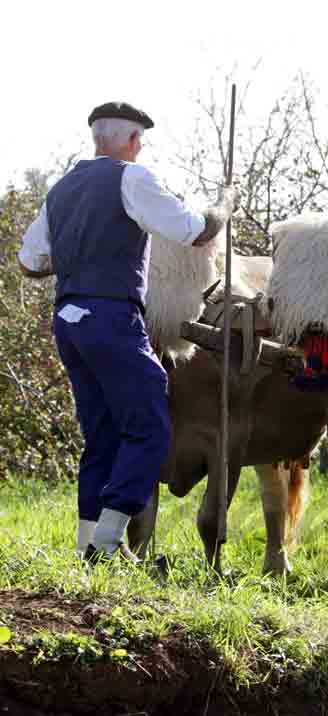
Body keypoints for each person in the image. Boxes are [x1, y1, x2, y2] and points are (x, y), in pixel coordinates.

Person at [17, 101, 239, 562]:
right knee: (150, 427)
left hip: (68, 321)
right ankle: (109, 540)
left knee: (101, 434)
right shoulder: (133, 178)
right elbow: (190, 231)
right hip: (111, 317)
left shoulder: (60, 190)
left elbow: (29, 262)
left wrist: (82, 254)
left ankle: (86, 547)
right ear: (133, 140)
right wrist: (222, 209)